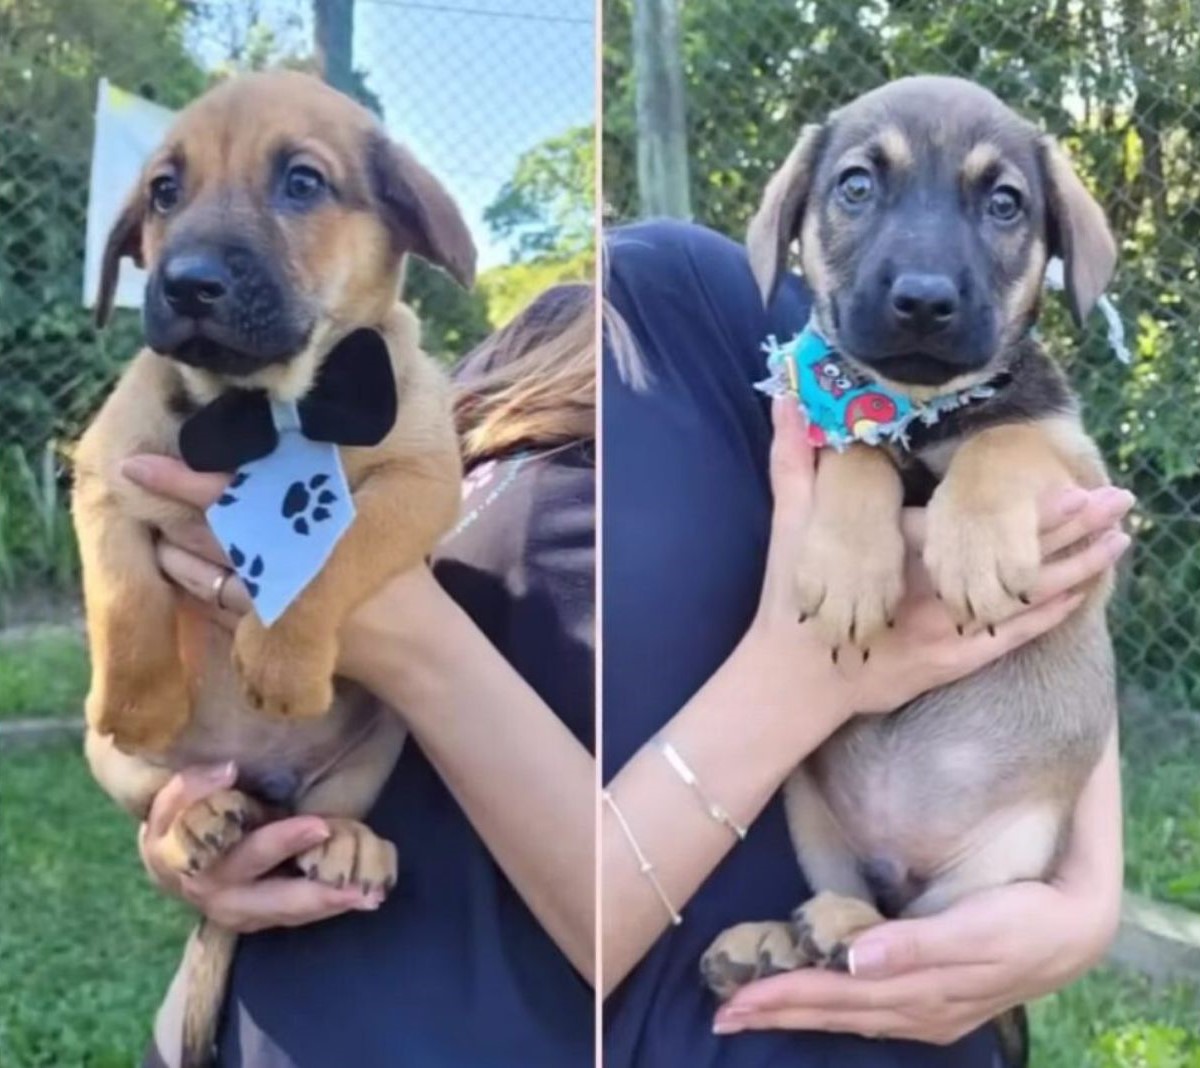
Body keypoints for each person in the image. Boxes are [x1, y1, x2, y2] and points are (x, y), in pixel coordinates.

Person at [601, 220, 1128, 1067]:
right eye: (859, 188)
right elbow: (848, 449)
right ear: (797, 222)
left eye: (999, 202)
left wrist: (1089, 890)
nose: (923, 274)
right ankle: (846, 911)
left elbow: (1079, 541)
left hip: (990, 854)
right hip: (819, 857)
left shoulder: (696, 291)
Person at [125, 283, 596, 1067]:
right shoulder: (524, 340)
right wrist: (184, 822)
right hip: (224, 1022)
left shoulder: (714, 322)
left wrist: (389, 632)